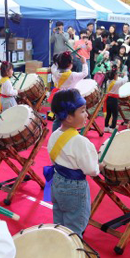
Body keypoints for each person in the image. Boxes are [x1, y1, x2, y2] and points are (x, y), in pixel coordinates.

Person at [46, 86, 99, 235]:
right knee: (75, 228)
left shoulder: (55, 134)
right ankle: (74, 254)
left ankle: (61, 248)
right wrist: (98, 165)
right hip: (75, 188)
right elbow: (91, 170)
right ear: (69, 117)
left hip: (57, 181)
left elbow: (52, 156)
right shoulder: (80, 142)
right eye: (82, 111)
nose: (86, 114)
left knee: (60, 223)